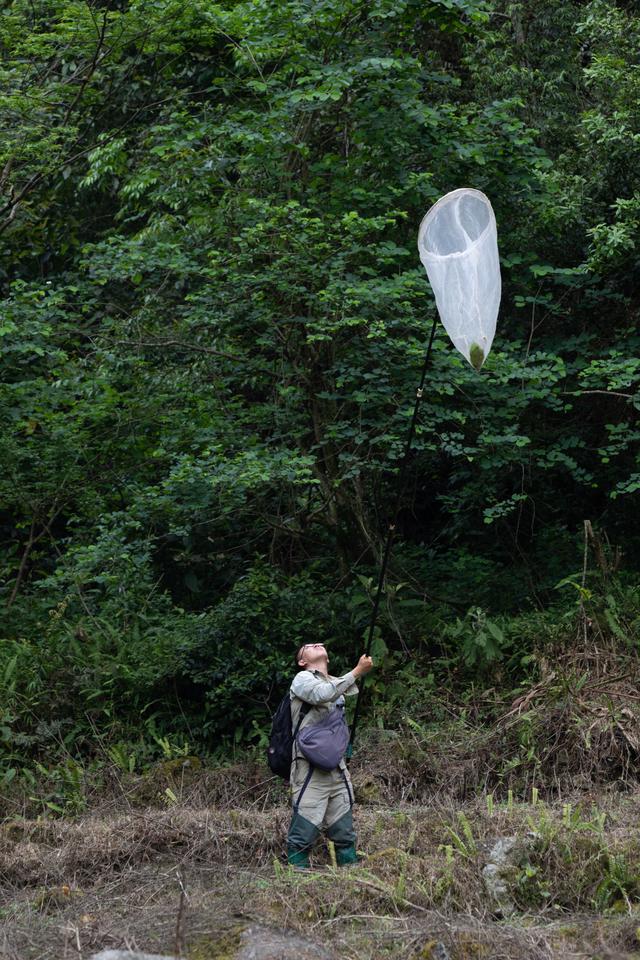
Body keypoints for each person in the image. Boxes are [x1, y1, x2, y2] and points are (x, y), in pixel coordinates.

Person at [286, 642, 374, 868]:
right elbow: (322, 695)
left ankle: (351, 876)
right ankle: (295, 882)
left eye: (319, 644)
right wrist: (356, 671)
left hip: (337, 767)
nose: (318, 644)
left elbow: (340, 695)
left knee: (343, 829)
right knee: (303, 830)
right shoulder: (302, 679)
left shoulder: (334, 683)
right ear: (302, 661)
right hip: (309, 768)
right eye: (309, 646)